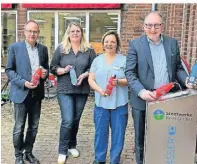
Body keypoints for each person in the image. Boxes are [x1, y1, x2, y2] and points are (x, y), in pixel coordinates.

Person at [125, 11, 194, 164]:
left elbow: (177, 69)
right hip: (143, 100)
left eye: (156, 25)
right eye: (149, 25)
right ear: (144, 27)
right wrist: (141, 91)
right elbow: (129, 72)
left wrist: (186, 79)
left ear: (162, 26)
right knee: (141, 138)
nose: (152, 29)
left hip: (167, 99)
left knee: (164, 136)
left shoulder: (172, 43)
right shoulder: (135, 45)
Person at [50, 22, 96, 164]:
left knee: (76, 119)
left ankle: (72, 145)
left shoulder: (89, 50)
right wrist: (62, 70)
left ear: (82, 33)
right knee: (68, 119)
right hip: (64, 89)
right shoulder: (61, 49)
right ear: (68, 34)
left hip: (81, 90)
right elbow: (53, 67)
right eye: (72, 31)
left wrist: (86, 74)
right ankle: (62, 150)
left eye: (78, 31)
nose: (75, 33)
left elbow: (94, 68)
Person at [5, 20, 49, 164]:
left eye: (35, 31)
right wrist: (23, 82)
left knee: (34, 126)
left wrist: (45, 74)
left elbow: (46, 69)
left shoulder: (43, 49)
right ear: (24, 32)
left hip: (36, 94)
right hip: (20, 93)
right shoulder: (15, 48)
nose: (32, 33)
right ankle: (18, 156)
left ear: (38, 33)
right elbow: (9, 70)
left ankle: (28, 152)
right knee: (19, 127)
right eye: (30, 31)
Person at [88, 30, 128, 164]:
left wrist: (118, 82)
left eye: (112, 42)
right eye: (107, 42)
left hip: (119, 104)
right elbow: (91, 79)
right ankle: (99, 159)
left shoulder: (124, 60)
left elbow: (130, 79)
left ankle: (114, 160)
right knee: (100, 133)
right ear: (103, 44)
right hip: (101, 104)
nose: (109, 44)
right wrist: (99, 90)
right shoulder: (97, 60)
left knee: (118, 134)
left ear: (117, 44)